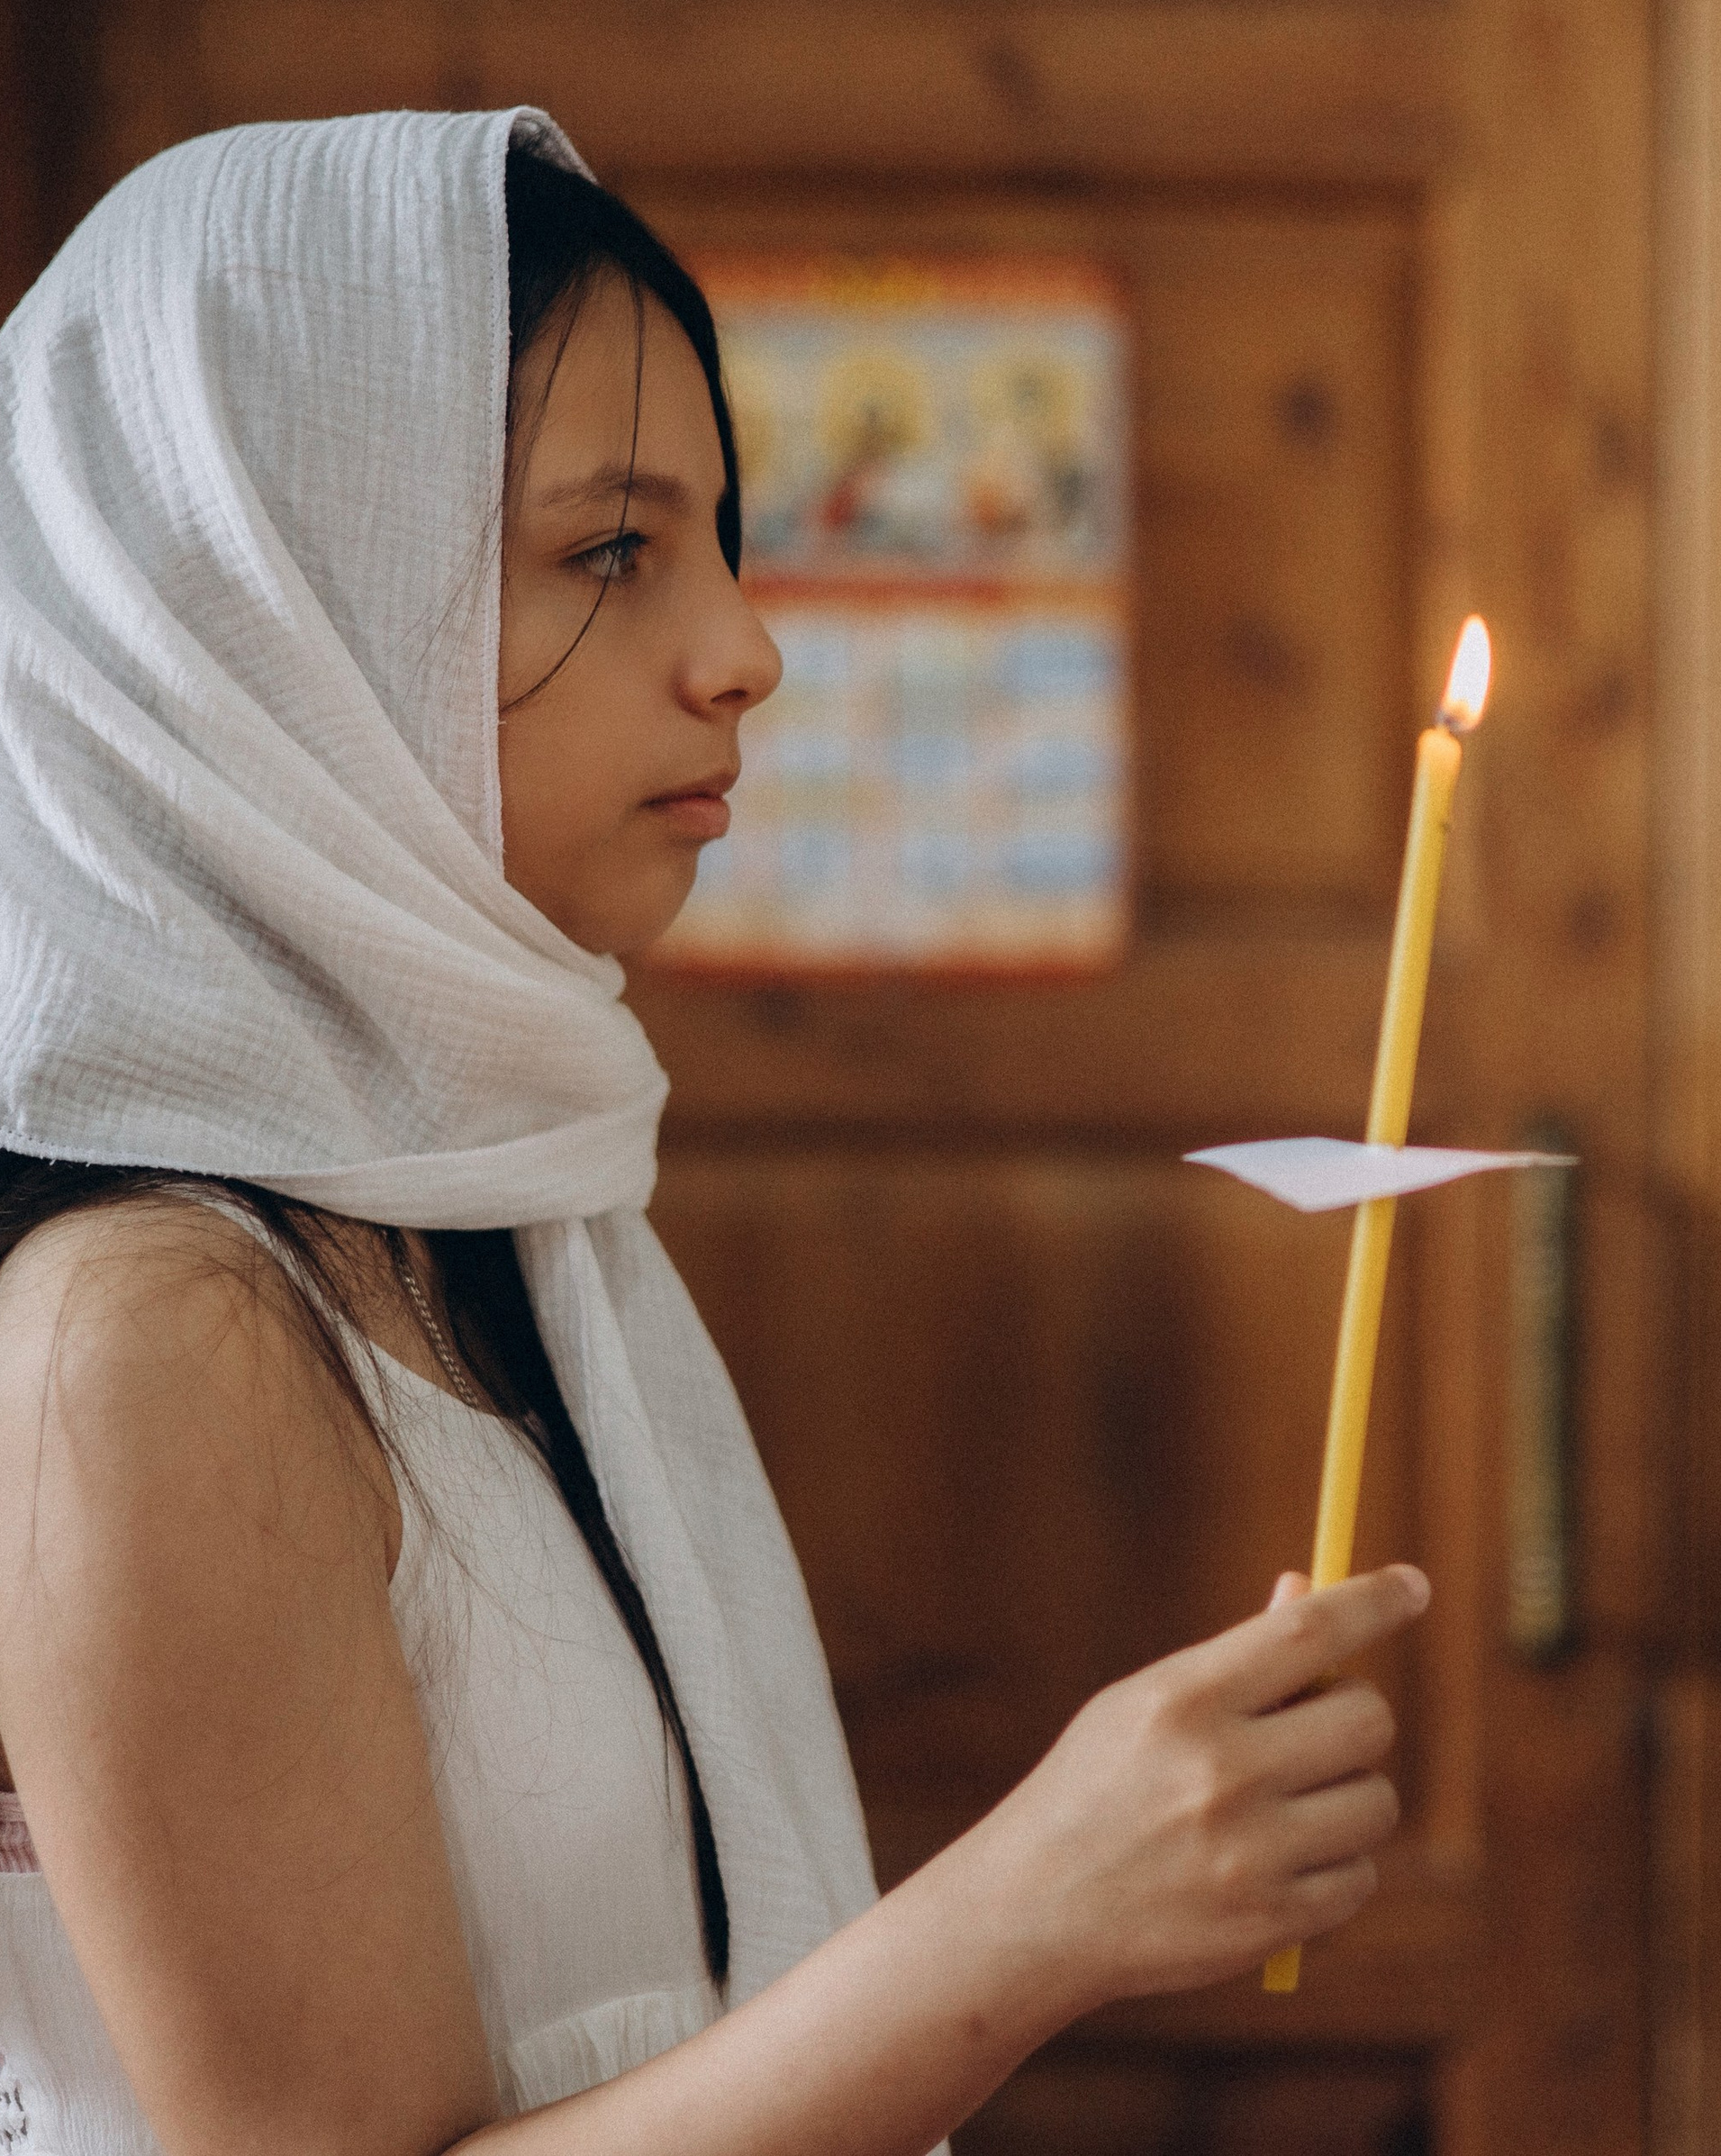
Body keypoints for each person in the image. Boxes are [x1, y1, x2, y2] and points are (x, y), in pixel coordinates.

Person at [0, 108, 1427, 2156]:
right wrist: (1023, 1917)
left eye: (713, 541)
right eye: (609, 549)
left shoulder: (490, 1214)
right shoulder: (147, 1332)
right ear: (263, 616)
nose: (746, 649)